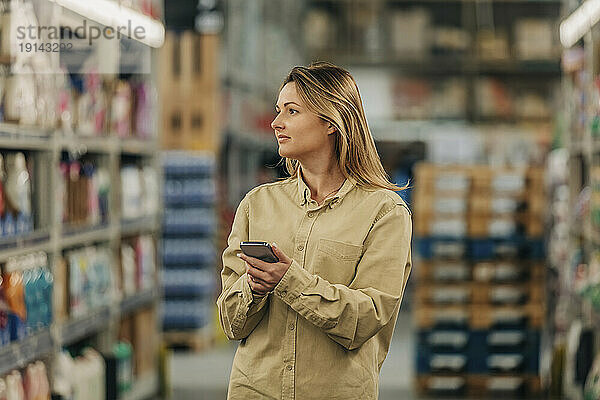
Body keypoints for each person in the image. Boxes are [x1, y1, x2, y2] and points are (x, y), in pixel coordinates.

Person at [216, 61, 412, 400]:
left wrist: (289, 279)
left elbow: (366, 319)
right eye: (279, 111)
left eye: (292, 111)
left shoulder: (384, 212)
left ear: (331, 122)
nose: (277, 123)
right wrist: (254, 287)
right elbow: (232, 323)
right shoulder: (257, 205)